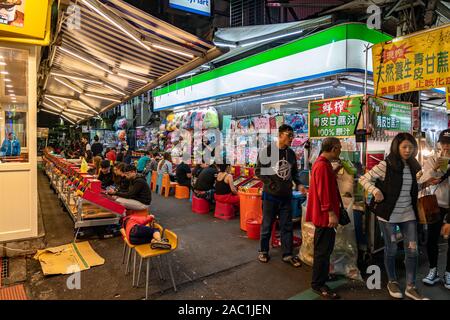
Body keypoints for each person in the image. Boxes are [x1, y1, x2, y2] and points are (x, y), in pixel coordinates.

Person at [359, 132, 437, 300]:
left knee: (412, 250)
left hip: (408, 215)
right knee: (392, 248)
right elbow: (364, 179)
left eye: (410, 147)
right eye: (404, 147)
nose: (408, 150)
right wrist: (375, 190)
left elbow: (413, 186)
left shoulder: (414, 165)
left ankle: (411, 286)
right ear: (397, 147)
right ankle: (392, 281)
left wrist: (426, 182)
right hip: (388, 216)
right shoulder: (385, 164)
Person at [255, 124, 302, 268]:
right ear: (280, 135)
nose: (291, 138)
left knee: (287, 226)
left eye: (292, 135)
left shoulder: (291, 154)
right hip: (270, 196)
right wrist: (271, 184)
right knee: (267, 225)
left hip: (286, 197)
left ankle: (287, 254)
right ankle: (263, 251)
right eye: (289, 135)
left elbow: (294, 173)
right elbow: (258, 171)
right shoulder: (267, 151)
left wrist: (299, 184)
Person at [305, 137, 342, 299]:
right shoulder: (321, 166)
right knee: (322, 250)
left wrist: (334, 171)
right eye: (339, 148)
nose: (340, 150)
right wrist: (331, 213)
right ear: (333, 149)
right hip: (324, 216)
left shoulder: (324, 165)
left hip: (325, 215)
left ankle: (324, 276)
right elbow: (323, 192)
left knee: (326, 249)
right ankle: (317, 284)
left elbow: (325, 184)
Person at [419, 129, 450, 289]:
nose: (446, 146)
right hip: (435, 205)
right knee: (432, 239)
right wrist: (435, 169)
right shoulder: (432, 159)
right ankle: (433, 271)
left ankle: (448, 273)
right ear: (439, 143)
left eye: (449, 143)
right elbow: (424, 180)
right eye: (444, 143)